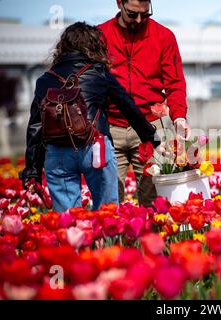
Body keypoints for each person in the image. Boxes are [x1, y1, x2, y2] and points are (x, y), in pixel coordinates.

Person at [20, 22, 159, 213]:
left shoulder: (44, 80)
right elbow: (129, 108)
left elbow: (35, 127)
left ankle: (79, 243)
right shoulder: (99, 73)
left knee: (69, 222)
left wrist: (32, 170)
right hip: (95, 148)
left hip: (57, 152)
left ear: (63, 47)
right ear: (95, 46)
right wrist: (152, 137)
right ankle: (107, 243)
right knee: (107, 216)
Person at [98, 0, 191, 207]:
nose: (139, 20)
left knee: (153, 200)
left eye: (145, 14)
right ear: (119, 3)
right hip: (110, 127)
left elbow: (175, 83)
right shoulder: (100, 36)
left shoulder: (164, 36)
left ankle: (152, 239)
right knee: (110, 201)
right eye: (132, 14)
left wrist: (179, 117)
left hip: (150, 128)